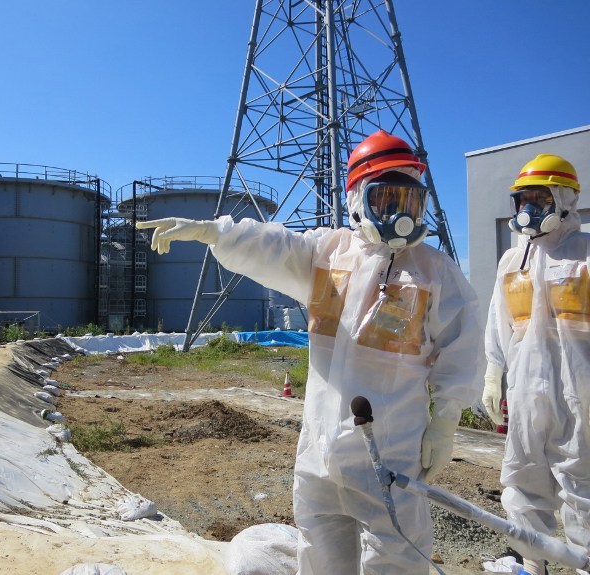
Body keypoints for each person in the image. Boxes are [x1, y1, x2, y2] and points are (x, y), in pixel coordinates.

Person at [137, 130, 481, 574]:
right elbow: (273, 246)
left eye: (409, 200)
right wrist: (215, 232)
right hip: (320, 450)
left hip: (391, 450)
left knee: (395, 557)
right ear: (357, 199)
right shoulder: (327, 254)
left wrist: (446, 420)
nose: (400, 214)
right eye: (385, 199)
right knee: (319, 551)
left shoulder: (434, 273)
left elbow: (461, 348)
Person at [483, 154, 590, 575]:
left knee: (582, 484)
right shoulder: (514, 262)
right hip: (526, 391)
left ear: (565, 200)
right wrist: (494, 372)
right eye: (523, 200)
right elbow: (499, 321)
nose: (529, 209)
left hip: (580, 392)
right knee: (522, 476)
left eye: (540, 199)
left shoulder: (585, 253)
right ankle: (532, 563)